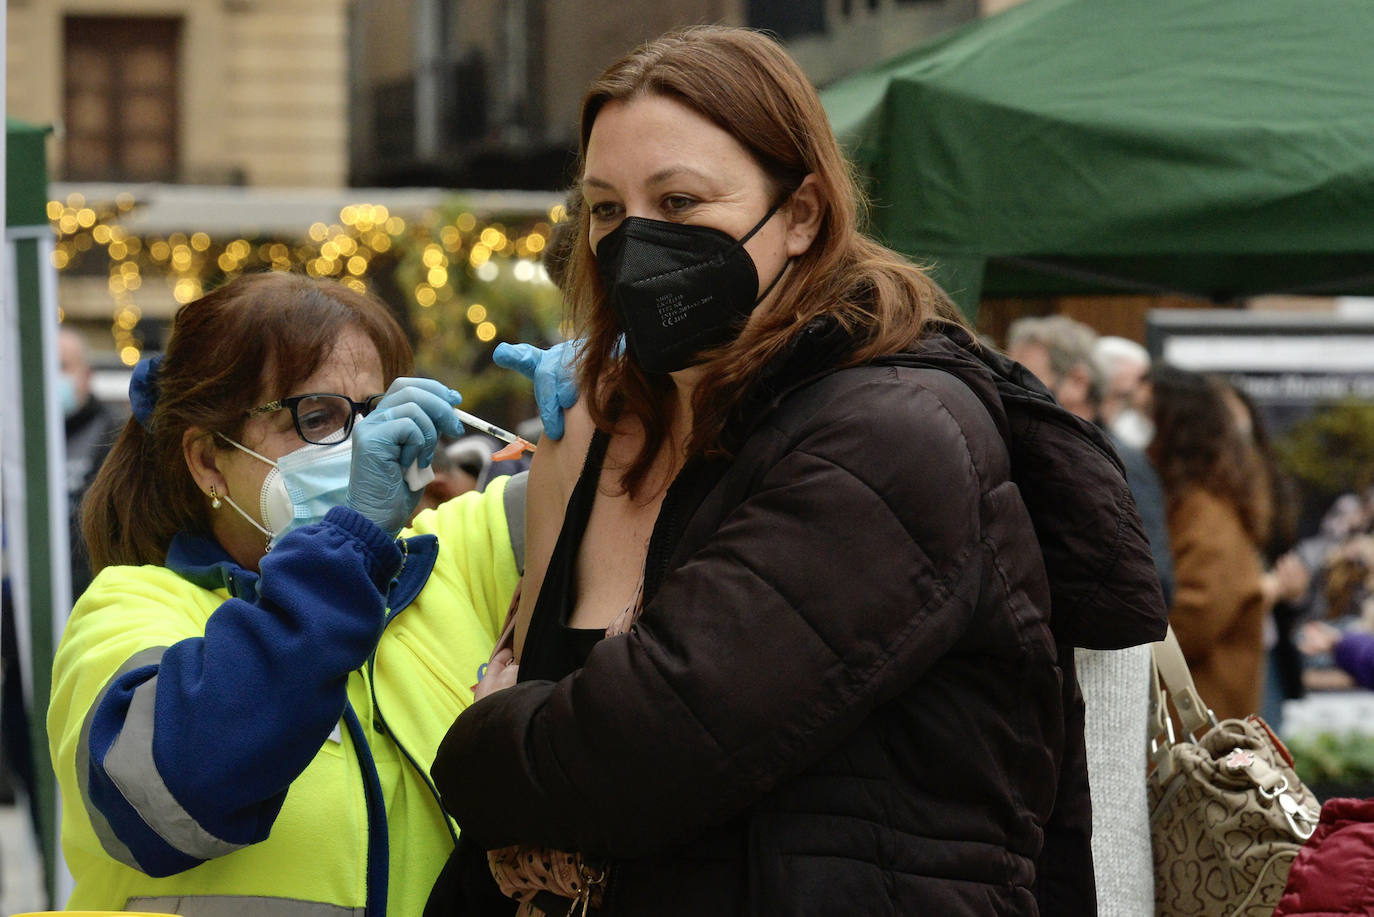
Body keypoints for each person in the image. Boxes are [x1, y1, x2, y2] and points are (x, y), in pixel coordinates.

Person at [430, 25, 1166, 916]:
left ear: (803, 214)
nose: (635, 244)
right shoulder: (592, 436)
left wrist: (475, 745)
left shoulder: (895, 432)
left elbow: (647, 744)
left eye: (681, 201)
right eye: (607, 210)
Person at [47, 272, 527, 916]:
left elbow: (614, 502)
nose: (363, 447)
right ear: (209, 461)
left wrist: (609, 410)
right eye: (317, 416)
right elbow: (174, 796)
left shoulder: (451, 558)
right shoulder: (132, 609)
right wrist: (351, 543)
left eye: (377, 413)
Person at [1006, 315, 1171, 917]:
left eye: (1031, 370)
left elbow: (1154, 583)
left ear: (1076, 380)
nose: (1019, 383)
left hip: (1105, 711)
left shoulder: (1107, 457)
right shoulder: (1057, 450)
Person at [1148, 366, 1273, 721]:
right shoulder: (1192, 505)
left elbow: (1194, 621)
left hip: (1200, 728)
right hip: (1196, 719)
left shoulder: (1206, 513)